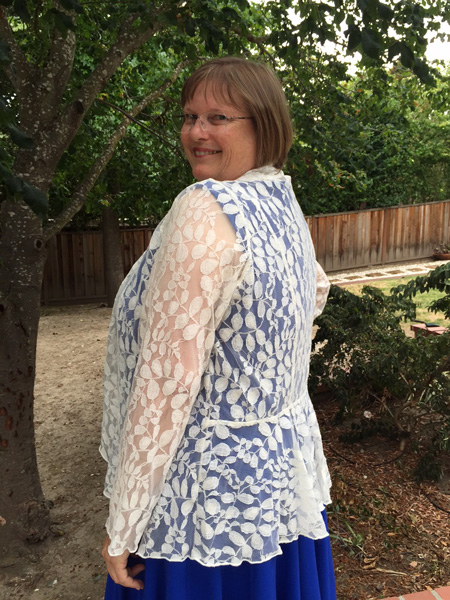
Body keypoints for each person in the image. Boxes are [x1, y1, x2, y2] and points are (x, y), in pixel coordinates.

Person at [100, 56, 335, 600]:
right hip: (277, 485)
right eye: (189, 117)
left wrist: (125, 523)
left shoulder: (204, 209)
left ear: (264, 125)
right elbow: (314, 290)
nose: (196, 132)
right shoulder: (277, 198)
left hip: (205, 507)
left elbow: (167, 382)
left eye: (217, 118)